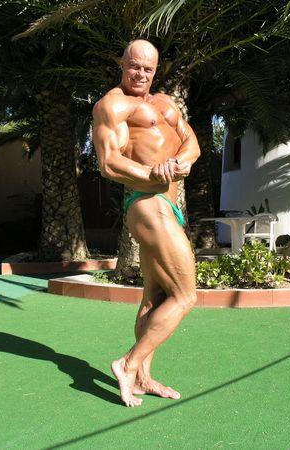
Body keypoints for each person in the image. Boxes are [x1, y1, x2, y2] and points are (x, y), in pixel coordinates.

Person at [92, 39, 200, 407]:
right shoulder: (112, 105)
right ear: (122, 64)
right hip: (147, 203)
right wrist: (152, 174)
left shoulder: (165, 102)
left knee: (155, 297)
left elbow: (191, 142)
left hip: (169, 204)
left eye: (148, 69)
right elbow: (108, 162)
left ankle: (142, 378)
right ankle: (128, 364)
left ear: (156, 71)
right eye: (134, 66)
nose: (140, 73)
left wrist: (181, 162)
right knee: (185, 295)